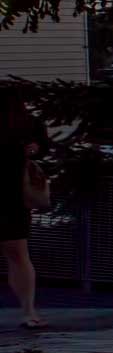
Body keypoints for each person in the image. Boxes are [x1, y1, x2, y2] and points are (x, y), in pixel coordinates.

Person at [0, 89, 46, 329]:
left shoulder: (25, 125)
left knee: (17, 254)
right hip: (14, 195)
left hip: (11, 195)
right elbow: (43, 148)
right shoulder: (29, 124)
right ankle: (29, 311)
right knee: (18, 254)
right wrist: (35, 149)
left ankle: (29, 311)